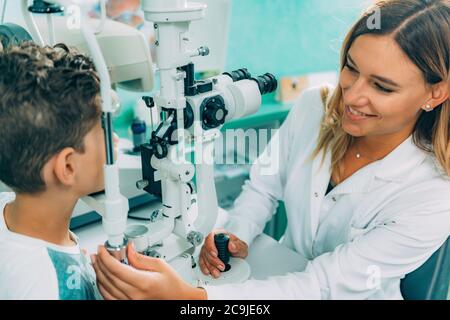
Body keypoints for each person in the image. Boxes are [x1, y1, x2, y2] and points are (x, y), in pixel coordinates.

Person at [92, 0, 450, 300]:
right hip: (281, 273)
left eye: (382, 87)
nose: (352, 96)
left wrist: (190, 300)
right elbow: (263, 188)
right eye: (351, 69)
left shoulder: (434, 194)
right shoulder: (316, 107)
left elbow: (322, 285)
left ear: (435, 93)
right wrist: (238, 232)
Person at [0, 42, 116, 299]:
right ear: (67, 166)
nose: (115, 140)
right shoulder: (48, 289)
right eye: (105, 131)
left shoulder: (10, 208)